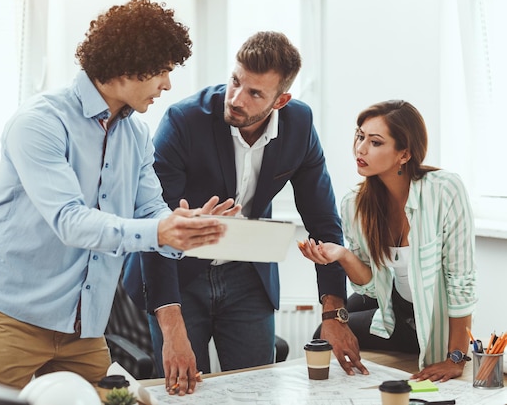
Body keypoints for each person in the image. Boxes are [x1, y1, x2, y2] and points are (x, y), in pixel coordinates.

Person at [0, 0, 235, 390]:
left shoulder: (137, 135)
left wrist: (186, 228)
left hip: (84, 328)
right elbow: (71, 222)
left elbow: (150, 211)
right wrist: (159, 231)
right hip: (11, 318)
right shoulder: (40, 123)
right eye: (163, 70)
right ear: (129, 64)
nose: (168, 84)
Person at [124, 31, 367, 396]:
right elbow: (153, 220)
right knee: (183, 391)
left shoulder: (298, 126)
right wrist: (171, 327)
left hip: (247, 278)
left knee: (257, 390)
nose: (236, 98)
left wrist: (333, 314)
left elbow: (323, 223)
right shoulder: (184, 121)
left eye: (255, 93)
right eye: (235, 81)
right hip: (179, 272)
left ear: (281, 99)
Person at [298, 100, 477, 382]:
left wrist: (457, 357)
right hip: (393, 305)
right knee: (329, 328)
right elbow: (370, 285)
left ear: (404, 154)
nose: (361, 148)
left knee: (334, 326)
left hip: (425, 320)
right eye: (360, 136)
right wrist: (342, 255)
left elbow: (461, 281)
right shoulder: (355, 204)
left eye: (375, 142)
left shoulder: (444, 191)